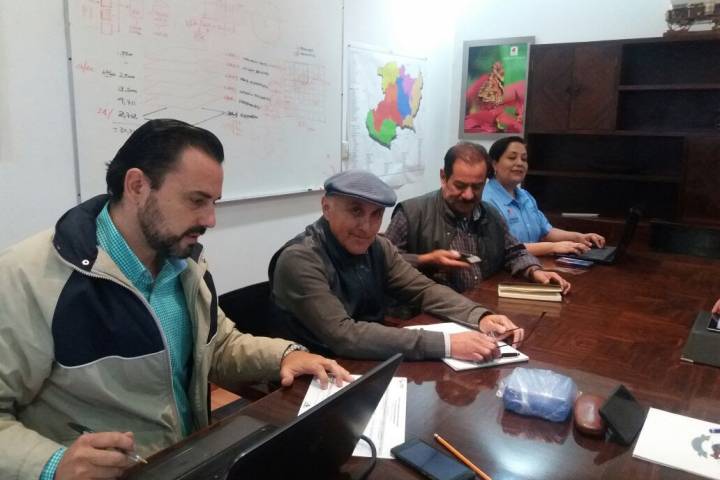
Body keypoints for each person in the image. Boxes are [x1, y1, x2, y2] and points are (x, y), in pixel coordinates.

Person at [0, 119, 350, 480]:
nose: (210, 219)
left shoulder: (183, 264)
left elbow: (217, 347)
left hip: (192, 459)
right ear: (137, 186)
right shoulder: (29, 277)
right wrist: (51, 465)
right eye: (196, 200)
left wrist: (285, 355)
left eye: (213, 202)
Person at [268, 169, 524, 363]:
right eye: (356, 211)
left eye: (376, 215)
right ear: (326, 207)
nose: (367, 227)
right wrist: (447, 344)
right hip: (313, 374)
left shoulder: (378, 246)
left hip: (368, 361)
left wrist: (480, 316)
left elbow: (423, 290)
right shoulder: (300, 259)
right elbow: (344, 335)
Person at [384, 142, 570, 293]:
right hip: (426, 312)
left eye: (476, 187)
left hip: (481, 303)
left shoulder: (490, 214)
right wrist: (426, 260)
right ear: (443, 177)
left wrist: (534, 270)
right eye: (460, 186)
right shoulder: (411, 213)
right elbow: (383, 263)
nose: (468, 195)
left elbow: (514, 251)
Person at [482, 136, 606, 257]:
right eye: (512, 157)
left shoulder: (525, 196)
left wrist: (578, 237)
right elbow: (501, 248)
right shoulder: (485, 201)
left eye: (524, 159)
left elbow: (546, 232)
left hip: (534, 264)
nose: (520, 163)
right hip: (506, 268)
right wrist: (552, 247)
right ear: (494, 164)